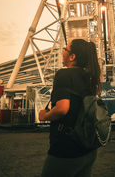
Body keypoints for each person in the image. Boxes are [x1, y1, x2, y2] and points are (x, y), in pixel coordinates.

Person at [39, 39, 101, 177]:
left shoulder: (64, 74)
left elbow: (62, 108)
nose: (62, 52)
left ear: (72, 57)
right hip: (88, 147)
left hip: (66, 149)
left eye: (65, 50)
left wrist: (44, 116)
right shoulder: (89, 78)